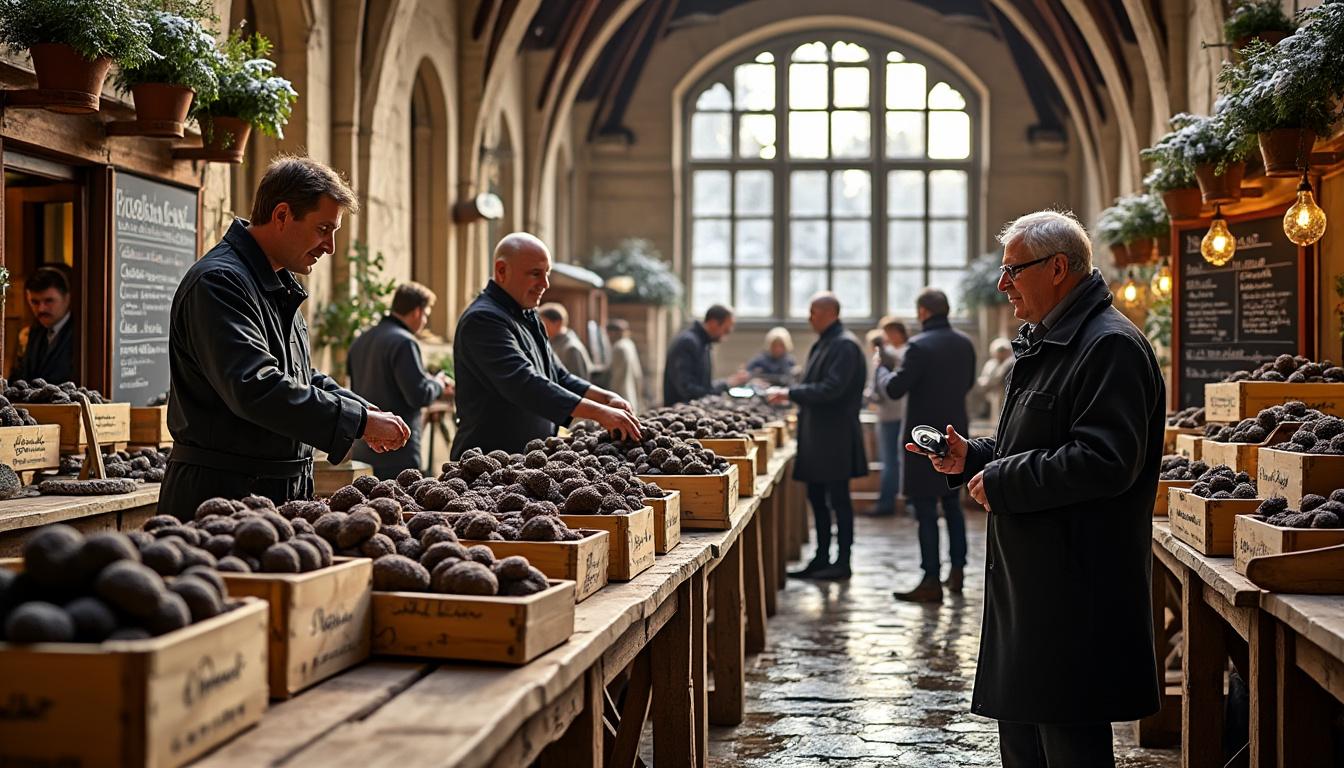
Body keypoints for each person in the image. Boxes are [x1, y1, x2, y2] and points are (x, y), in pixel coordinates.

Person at [911, 210, 1163, 767]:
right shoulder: (1049, 340)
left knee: (1069, 748)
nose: (1003, 284)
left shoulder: (1110, 346)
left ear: (1057, 268)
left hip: (1073, 594)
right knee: (1025, 748)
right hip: (1032, 590)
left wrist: (1002, 479)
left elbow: (1106, 460)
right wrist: (974, 456)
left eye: (1013, 270)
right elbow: (1034, 442)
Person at [161, 155, 411, 519]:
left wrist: (362, 410)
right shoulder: (219, 282)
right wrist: (357, 421)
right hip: (222, 500)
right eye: (323, 229)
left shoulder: (277, 281)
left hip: (269, 494)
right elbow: (256, 386)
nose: (330, 246)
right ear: (281, 215)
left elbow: (299, 376)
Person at [452, 233, 640, 458]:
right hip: (488, 461)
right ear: (501, 271)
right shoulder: (483, 319)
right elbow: (524, 383)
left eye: (547, 274)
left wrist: (606, 398)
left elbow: (558, 376)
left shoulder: (529, 314)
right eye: (535, 273)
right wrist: (600, 413)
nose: (545, 284)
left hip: (527, 459)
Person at [878, 288, 975, 602]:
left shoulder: (918, 346)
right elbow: (968, 384)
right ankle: (957, 571)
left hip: (924, 439)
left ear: (922, 312)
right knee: (953, 504)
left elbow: (895, 389)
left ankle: (931, 579)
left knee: (925, 508)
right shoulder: (965, 343)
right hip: (955, 434)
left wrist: (882, 371)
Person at [767, 292, 867, 581]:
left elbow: (832, 389)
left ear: (830, 313)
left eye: (814, 312)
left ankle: (842, 561)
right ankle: (822, 557)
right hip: (819, 436)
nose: (809, 317)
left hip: (835, 437)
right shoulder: (825, 342)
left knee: (838, 500)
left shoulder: (844, 345)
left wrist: (790, 393)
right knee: (817, 497)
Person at [348, 282, 453, 479]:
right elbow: (418, 395)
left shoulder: (361, 340)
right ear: (417, 312)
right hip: (397, 452)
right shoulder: (405, 342)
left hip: (364, 449)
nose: (425, 321)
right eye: (426, 315)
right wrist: (439, 384)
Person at [663, 304, 750, 405]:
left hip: (694, 407)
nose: (726, 336)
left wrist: (728, 382)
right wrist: (725, 385)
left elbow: (703, 386)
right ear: (713, 323)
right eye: (726, 330)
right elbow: (687, 390)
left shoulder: (703, 343)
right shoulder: (687, 343)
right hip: (679, 411)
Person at [868, 318, 908, 517]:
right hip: (897, 412)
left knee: (890, 461)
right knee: (895, 460)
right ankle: (900, 502)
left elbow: (881, 386)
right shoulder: (905, 352)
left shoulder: (892, 355)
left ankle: (887, 503)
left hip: (893, 413)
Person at [12, 266, 76, 384]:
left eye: (49, 301)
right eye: (34, 302)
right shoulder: (33, 332)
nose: (41, 309)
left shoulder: (80, 335)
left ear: (67, 298)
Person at [539, 302, 593, 380]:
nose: (540, 327)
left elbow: (578, 381)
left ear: (557, 323)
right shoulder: (553, 343)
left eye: (543, 323)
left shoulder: (571, 348)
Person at [605, 319, 643, 412]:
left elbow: (617, 378)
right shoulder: (629, 344)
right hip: (631, 394)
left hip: (621, 394)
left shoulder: (619, 347)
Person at [977, 337, 1015, 426]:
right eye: (999, 352)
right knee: (996, 416)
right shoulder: (991, 364)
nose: (1001, 354)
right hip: (994, 393)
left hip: (1007, 393)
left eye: (1003, 351)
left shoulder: (1012, 362)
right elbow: (985, 378)